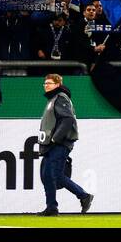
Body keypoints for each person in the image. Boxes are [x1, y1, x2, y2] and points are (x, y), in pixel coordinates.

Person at [36, 73, 93, 216]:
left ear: (57, 85)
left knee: (54, 174)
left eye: (49, 83)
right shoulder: (54, 99)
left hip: (59, 143)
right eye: (45, 83)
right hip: (52, 143)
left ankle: (83, 196)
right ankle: (51, 207)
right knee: (48, 175)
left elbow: (67, 119)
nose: (46, 85)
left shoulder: (60, 98)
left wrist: (55, 139)